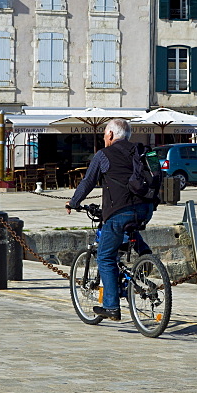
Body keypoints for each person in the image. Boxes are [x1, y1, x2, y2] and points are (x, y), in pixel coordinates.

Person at [67, 118, 153, 321]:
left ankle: (112, 307)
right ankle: (146, 257)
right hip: (145, 209)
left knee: (105, 257)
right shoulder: (139, 151)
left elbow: (88, 181)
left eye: (105, 134)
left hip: (119, 210)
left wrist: (73, 202)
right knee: (128, 227)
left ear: (111, 135)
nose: (104, 137)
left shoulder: (103, 155)